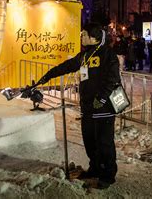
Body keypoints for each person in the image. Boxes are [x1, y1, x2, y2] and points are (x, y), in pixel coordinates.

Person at [37, 22, 120, 189]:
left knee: (104, 143)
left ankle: (107, 176)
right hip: (88, 107)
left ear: (94, 37)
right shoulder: (84, 55)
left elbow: (112, 79)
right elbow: (66, 66)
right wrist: (47, 76)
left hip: (103, 108)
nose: (81, 37)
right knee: (90, 141)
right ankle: (95, 169)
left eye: (84, 34)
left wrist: (102, 98)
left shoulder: (108, 55)